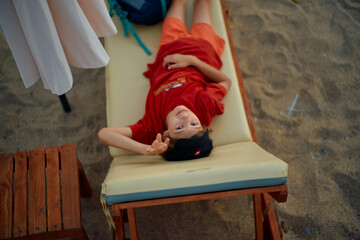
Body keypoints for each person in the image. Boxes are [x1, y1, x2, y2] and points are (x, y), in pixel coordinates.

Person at [98, 0, 231, 160]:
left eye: (180, 127)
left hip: (170, 46)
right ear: (202, 124)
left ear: (166, 134)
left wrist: (145, 149)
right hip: (202, 49)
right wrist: (192, 61)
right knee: (203, 3)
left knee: (177, 3)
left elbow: (105, 134)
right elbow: (225, 81)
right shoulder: (203, 106)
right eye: (194, 124)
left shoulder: (151, 126)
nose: (186, 118)